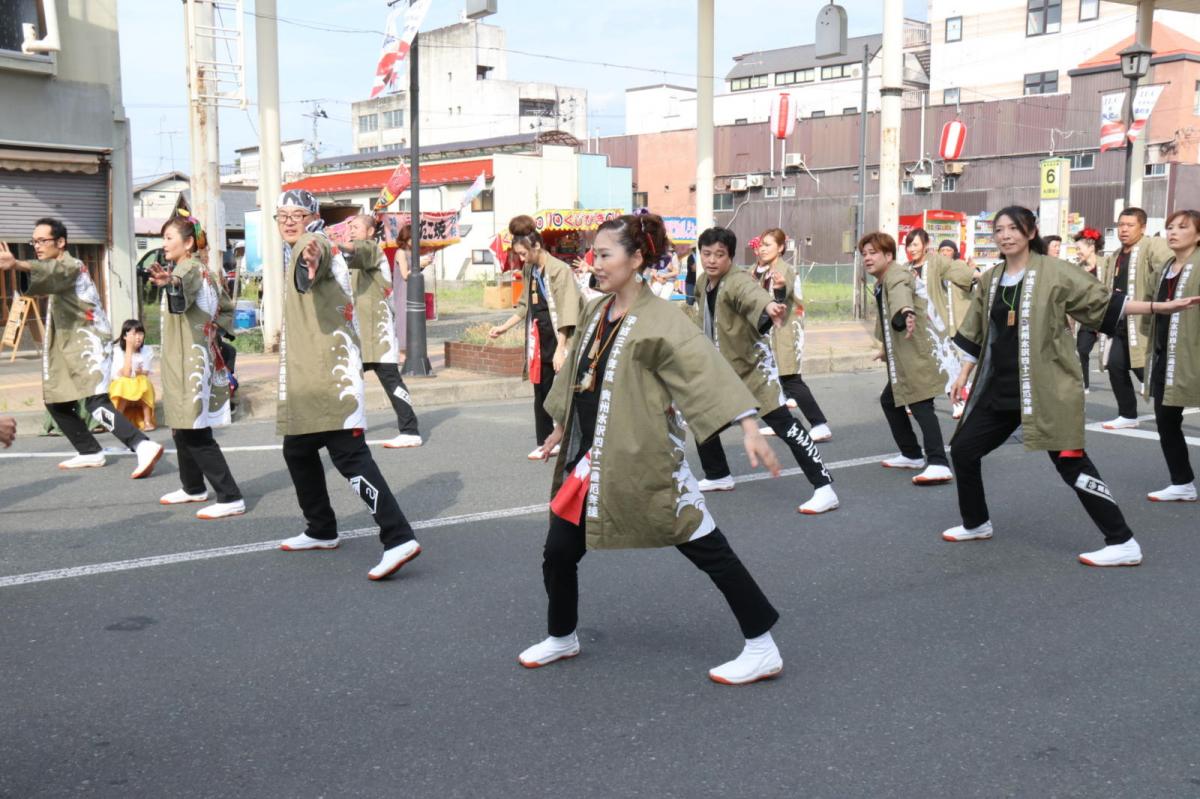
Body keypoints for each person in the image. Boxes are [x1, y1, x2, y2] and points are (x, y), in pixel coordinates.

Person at [518, 212, 785, 685]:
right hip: (593, 460)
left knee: (706, 547)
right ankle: (562, 635)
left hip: (645, 458)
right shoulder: (597, 311)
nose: (594, 263)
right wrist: (561, 424)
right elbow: (579, 373)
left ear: (636, 258)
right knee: (559, 550)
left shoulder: (662, 318)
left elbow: (705, 370)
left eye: (604, 255)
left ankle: (762, 645)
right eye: (593, 254)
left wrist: (747, 425)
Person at [944, 206, 1200, 566]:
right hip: (999, 390)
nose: (1005, 235)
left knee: (1072, 464)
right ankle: (976, 522)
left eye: (1013, 228)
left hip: (1048, 389)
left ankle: (1122, 541)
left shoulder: (1056, 272)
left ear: (1030, 232)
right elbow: (975, 330)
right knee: (964, 451)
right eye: (998, 229)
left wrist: (1160, 306)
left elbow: (1104, 302)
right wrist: (963, 374)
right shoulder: (991, 279)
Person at [271, 190, 422, 580]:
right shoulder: (307, 245)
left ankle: (398, 536)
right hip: (314, 377)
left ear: (312, 217)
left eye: (297, 214)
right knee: (297, 449)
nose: (289, 221)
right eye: (281, 215)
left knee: (350, 457)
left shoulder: (314, 242)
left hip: (330, 378)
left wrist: (311, 258)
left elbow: (315, 255)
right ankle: (321, 528)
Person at [692, 226, 839, 514]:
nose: (711, 260)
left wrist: (770, 304)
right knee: (701, 417)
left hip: (753, 369)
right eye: (706, 254)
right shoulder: (703, 283)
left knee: (786, 426)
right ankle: (718, 474)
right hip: (722, 370)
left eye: (719, 255)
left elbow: (751, 295)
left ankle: (824, 487)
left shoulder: (736, 281)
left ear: (731, 258)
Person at [0, 220, 163, 477]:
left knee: (96, 402)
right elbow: (43, 279)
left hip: (89, 343)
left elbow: (52, 272)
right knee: (56, 401)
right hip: (69, 347)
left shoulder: (71, 264)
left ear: (61, 242)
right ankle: (89, 451)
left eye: (42, 241)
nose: (37, 247)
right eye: (34, 242)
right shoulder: (59, 267)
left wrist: (18, 264)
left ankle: (142, 445)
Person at [145, 215, 245, 520]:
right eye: (163, 239)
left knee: (194, 428)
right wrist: (214, 328)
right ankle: (192, 487)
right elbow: (225, 307)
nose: (164, 246)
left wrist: (170, 282)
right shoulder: (203, 269)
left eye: (169, 239)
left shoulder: (187, 269)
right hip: (192, 354)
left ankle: (230, 496)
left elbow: (181, 287)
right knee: (182, 424)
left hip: (190, 357)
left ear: (188, 243)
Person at [861, 232, 954, 485]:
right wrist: (885, 348)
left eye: (873, 253)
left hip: (917, 351)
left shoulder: (896, 275)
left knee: (921, 402)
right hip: (905, 352)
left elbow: (901, 295)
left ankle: (938, 463)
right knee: (890, 401)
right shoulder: (883, 279)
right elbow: (885, 316)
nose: (867, 258)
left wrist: (907, 311)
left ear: (888, 255)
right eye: (864, 254)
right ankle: (912, 453)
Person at [488, 215, 583, 460]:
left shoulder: (559, 270)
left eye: (523, 253)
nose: (521, 259)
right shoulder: (529, 269)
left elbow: (567, 312)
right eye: (518, 254)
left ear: (536, 247)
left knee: (559, 389)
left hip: (560, 336)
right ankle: (544, 441)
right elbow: (523, 306)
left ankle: (566, 437)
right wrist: (503, 328)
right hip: (539, 338)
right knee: (540, 388)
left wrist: (561, 349)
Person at [336, 214, 421, 449]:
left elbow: (356, 250)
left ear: (371, 231)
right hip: (358, 334)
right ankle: (347, 428)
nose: (350, 231)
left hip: (379, 334)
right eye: (348, 227)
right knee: (346, 382)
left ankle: (410, 430)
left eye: (355, 227)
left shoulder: (373, 251)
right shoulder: (350, 259)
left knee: (392, 382)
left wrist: (332, 242)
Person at [1141, 209, 1200, 503]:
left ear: (1198, 235)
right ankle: (1182, 481)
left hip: (1194, 352)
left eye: (1182, 227)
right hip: (1168, 353)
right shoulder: (1165, 266)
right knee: (1166, 418)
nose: (1173, 232)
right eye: (1170, 227)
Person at [751, 228, 832, 442]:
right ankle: (783, 423)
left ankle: (819, 424)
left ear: (780, 248)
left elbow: (780, 294)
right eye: (761, 244)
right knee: (772, 378)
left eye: (768, 244)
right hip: (768, 333)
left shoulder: (784, 269)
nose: (762, 248)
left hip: (785, 331)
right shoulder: (760, 268)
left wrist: (775, 287)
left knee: (790, 378)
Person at [1098, 207, 1173, 429]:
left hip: (1145, 322)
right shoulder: (1114, 256)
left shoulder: (1152, 245)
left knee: (1146, 367)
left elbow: (1168, 268)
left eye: (1130, 225)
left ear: (1143, 227)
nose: (1124, 230)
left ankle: (1172, 406)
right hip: (1120, 321)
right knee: (1115, 365)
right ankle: (1128, 414)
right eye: (1121, 225)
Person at [904, 229, 978, 419]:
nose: (912, 249)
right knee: (916, 365)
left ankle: (958, 401)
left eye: (915, 244)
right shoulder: (906, 268)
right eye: (909, 245)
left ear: (926, 245)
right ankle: (914, 400)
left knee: (946, 363)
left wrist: (976, 275)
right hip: (915, 325)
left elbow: (956, 270)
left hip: (936, 323)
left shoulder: (936, 261)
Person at [109, 319, 157, 431]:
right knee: (126, 382)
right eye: (134, 334)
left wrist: (137, 373)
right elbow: (126, 374)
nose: (138, 337)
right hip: (121, 393)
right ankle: (118, 419)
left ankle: (147, 421)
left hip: (140, 393)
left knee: (143, 380)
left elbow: (145, 372)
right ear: (125, 336)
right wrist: (129, 348)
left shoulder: (147, 350)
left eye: (140, 333)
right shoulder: (117, 352)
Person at [1072, 228, 1104, 392]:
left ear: (1091, 247)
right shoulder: (1078, 269)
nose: (1077, 252)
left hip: (1107, 315)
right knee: (1082, 350)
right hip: (1088, 318)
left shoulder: (1107, 265)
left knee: (1117, 360)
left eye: (1079, 248)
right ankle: (1084, 384)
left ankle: (1144, 378)